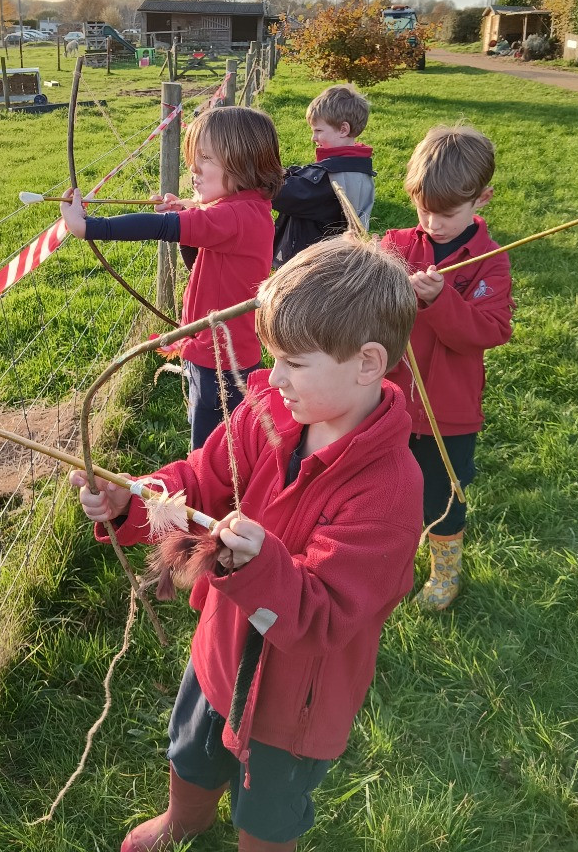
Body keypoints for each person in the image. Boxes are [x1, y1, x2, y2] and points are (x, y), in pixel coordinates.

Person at [69, 236, 422, 852]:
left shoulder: (390, 489)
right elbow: (201, 480)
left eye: (294, 362)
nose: (272, 375)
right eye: (273, 357)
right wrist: (138, 499)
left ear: (368, 363)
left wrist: (258, 565)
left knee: (269, 809)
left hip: (297, 698)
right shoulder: (270, 411)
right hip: (222, 645)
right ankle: (184, 820)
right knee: (192, 749)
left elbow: (326, 615)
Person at [60, 105, 283, 450]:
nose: (193, 169)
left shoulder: (237, 216)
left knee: (212, 453)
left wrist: (87, 227)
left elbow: (159, 226)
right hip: (211, 352)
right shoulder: (241, 209)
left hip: (220, 361)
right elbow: (199, 254)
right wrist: (186, 216)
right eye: (195, 158)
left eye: (206, 158)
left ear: (243, 163)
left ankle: (207, 499)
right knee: (213, 434)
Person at [381, 124, 514, 610]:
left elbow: (489, 330)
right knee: (391, 485)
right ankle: (389, 558)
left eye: (448, 214)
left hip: (449, 408)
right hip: (392, 397)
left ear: (482, 199)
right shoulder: (397, 244)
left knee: (443, 493)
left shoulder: (489, 262)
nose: (433, 224)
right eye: (424, 210)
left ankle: (445, 571)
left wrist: (440, 303)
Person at [272, 83, 375, 267]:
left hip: (311, 265)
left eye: (318, 131)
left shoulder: (333, 177)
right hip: (331, 262)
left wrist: (255, 176)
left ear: (343, 129)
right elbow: (309, 178)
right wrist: (289, 172)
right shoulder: (356, 167)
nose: (313, 138)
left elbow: (284, 195)